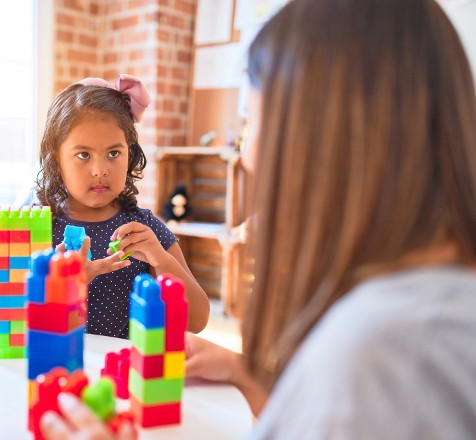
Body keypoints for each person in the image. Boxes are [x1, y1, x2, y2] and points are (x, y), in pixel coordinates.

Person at [38, 0, 476, 438]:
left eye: (253, 122)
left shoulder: (377, 353)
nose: (245, 157)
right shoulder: (406, 323)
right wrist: (252, 378)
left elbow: (198, 313)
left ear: (331, 137)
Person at [35, 74, 210, 339]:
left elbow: (196, 321)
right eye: (83, 155)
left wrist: (162, 261)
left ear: (130, 154)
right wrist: (66, 288)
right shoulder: (39, 228)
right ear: (55, 159)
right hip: (58, 371)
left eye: (113, 153)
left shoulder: (145, 229)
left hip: (128, 374)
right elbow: (15, 327)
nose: (100, 170)